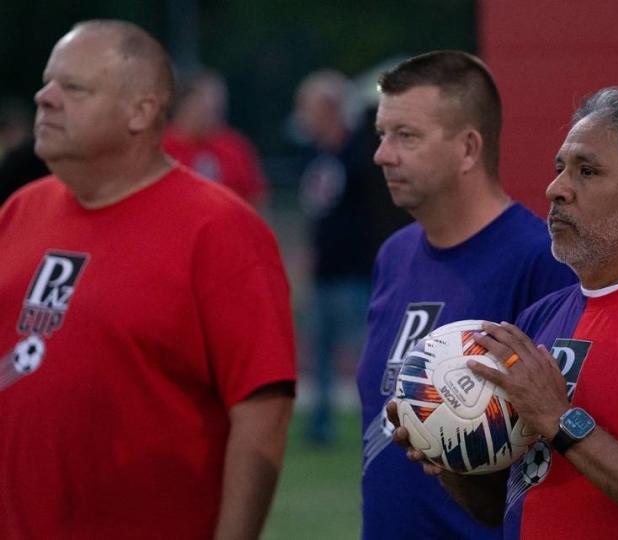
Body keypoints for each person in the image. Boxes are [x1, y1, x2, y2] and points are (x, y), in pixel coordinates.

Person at [390, 87, 618, 539]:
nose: (556, 189)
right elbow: (497, 507)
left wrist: (560, 420)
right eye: (559, 169)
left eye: (587, 171)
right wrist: (450, 447)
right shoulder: (540, 317)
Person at [0, 20, 296, 540]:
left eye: (74, 87)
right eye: (49, 82)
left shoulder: (219, 229)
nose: (44, 98)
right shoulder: (21, 210)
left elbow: (262, 415)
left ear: (140, 111)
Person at [357, 51, 576, 539]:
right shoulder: (395, 255)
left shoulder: (541, 260)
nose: (382, 154)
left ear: (469, 149)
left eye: (405, 136)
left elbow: (561, 449)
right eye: (381, 134)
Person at [293, 70, 410, 444]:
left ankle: (385, 420)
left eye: (310, 108)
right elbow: (319, 211)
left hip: (356, 268)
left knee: (369, 353)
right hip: (325, 269)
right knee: (321, 354)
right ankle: (321, 426)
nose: (305, 116)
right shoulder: (316, 154)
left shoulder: (361, 153)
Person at [162, 69, 268, 205]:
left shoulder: (235, 147)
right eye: (205, 103)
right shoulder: (157, 149)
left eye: (218, 105)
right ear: (185, 103)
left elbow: (257, 200)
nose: (214, 109)